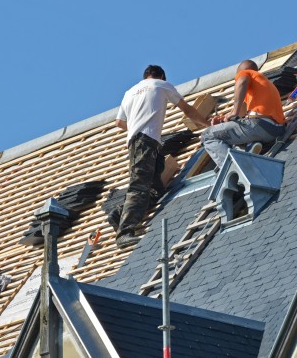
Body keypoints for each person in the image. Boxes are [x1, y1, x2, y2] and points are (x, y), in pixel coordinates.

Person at [113, 65, 209, 248]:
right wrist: (207, 124)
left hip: (139, 141)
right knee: (139, 185)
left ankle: (119, 213)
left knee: (156, 187)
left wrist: (135, 126)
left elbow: (119, 122)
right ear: (161, 76)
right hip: (145, 140)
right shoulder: (161, 85)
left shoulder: (129, 92)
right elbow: (187, 109)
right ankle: (124, 232)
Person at [201, 60, 286, 168]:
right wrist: (223, 121)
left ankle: (232, 168)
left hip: (259, 125)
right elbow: (240, 114)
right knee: (233, 131)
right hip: (275, 130)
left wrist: (235, 112)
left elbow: (242, 81)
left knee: (207, 135)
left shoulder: (245, 74)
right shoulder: (265, 85)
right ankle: (250, 147)